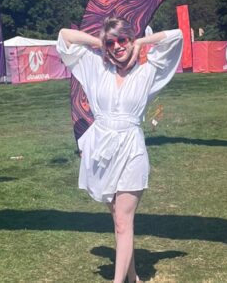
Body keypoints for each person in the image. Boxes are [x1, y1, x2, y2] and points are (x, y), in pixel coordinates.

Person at [58, 18, 183, 283]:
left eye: (122, 40)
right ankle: (133, 277)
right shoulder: (95, 66)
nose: (117, 47)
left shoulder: (149, 72)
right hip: (101, 151)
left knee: (124, 221)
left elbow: (176, 35)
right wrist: (99, 43)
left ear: (130, 39)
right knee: (118, 221)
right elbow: (65, 36)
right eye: (112, 42)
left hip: (131, 150)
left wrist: (140, 42)